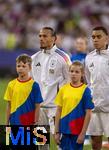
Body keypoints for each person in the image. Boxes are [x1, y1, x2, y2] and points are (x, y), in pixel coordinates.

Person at [31, 27, 71, 134]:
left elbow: (70, 81)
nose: (41, 38)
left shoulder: (63, 57)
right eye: (40, 36)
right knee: (42, 143)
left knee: (60, 141)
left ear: (54, 38)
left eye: (45, 36)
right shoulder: (34, 58)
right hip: (39, 108)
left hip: (56, 107)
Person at [54, 61, 94, 150]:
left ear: (82, 74)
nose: (73, 74)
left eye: (77, 72)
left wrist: (83, 133)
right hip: (64, 130)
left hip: (77, 131)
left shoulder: (86, 90)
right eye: (71, 71)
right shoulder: (63, 89)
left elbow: (88, 113)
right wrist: (57, 131)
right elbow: (58, 110)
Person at [85, 26, 109, 150]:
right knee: (95, 142)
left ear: (107, 38)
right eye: (93, 37)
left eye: (99, 37)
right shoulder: (89, 58)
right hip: (94, 106)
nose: (95, 39)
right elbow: (89, 83)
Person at [4, 54, 43, 125]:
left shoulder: (34, 85)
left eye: (24, 66)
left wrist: (36, 122)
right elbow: (9, 105)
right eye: (18, 66)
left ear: (30, 68)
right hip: (14, 122)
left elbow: (37, 106)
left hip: (29, 123)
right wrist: (7, 123)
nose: (20, 68)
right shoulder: (11, 84)